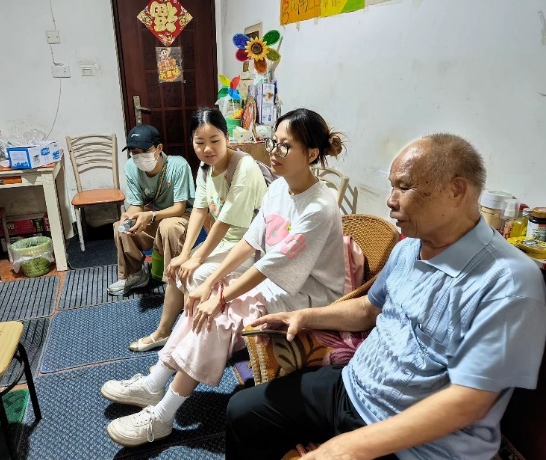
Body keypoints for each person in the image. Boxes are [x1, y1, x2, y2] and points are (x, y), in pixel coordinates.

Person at [225, 133, 546, 460]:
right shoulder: (408, 248)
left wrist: (347, 446)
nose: (390, 200)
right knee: (242, 412)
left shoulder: (509, 283)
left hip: (420, 444)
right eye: (391, 186)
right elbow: (369, 308)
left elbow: (469, 402)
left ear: (455, 190)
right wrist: (304, 316)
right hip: (352, 386)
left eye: (403, 187)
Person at [101, 108, 348, 448]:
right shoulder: (279, 189)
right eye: (274, 142)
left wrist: (220, 295)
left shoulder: (319, 207)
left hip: (307, 297)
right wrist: (209, 285)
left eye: (285, 146)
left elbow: (269, 264)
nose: (274, 152)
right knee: (205, 298)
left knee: (218, 315)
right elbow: (250, 242)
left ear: (312, 153)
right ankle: (155, 382)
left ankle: (163, 417)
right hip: (276, 282)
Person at [126, 108, 268, 352]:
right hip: (226, 242)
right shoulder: (205, 166)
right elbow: (200, 210)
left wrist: (197, 258)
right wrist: (185, 254)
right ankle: (163, 333)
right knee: (176, 269)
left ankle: (189, 344)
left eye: (215, 140)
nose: (207, 149)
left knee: (193, 274)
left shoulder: (244, 167)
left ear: (227, 137)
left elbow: (223, 222)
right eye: (200, 142)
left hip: (251, 245)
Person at [107, 124, 195, 296]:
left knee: (169, 227)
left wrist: (151, 215)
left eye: (145, 151)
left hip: (179, 215)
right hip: (151, 213)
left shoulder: (178, 165)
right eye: (134, 152)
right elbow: (136, 204)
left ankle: (176, 280)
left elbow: (179, 208)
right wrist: (129, 215)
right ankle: (135, 274)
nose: (139, 157)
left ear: (159, 148)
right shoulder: (131, 167)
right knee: (121, 227)